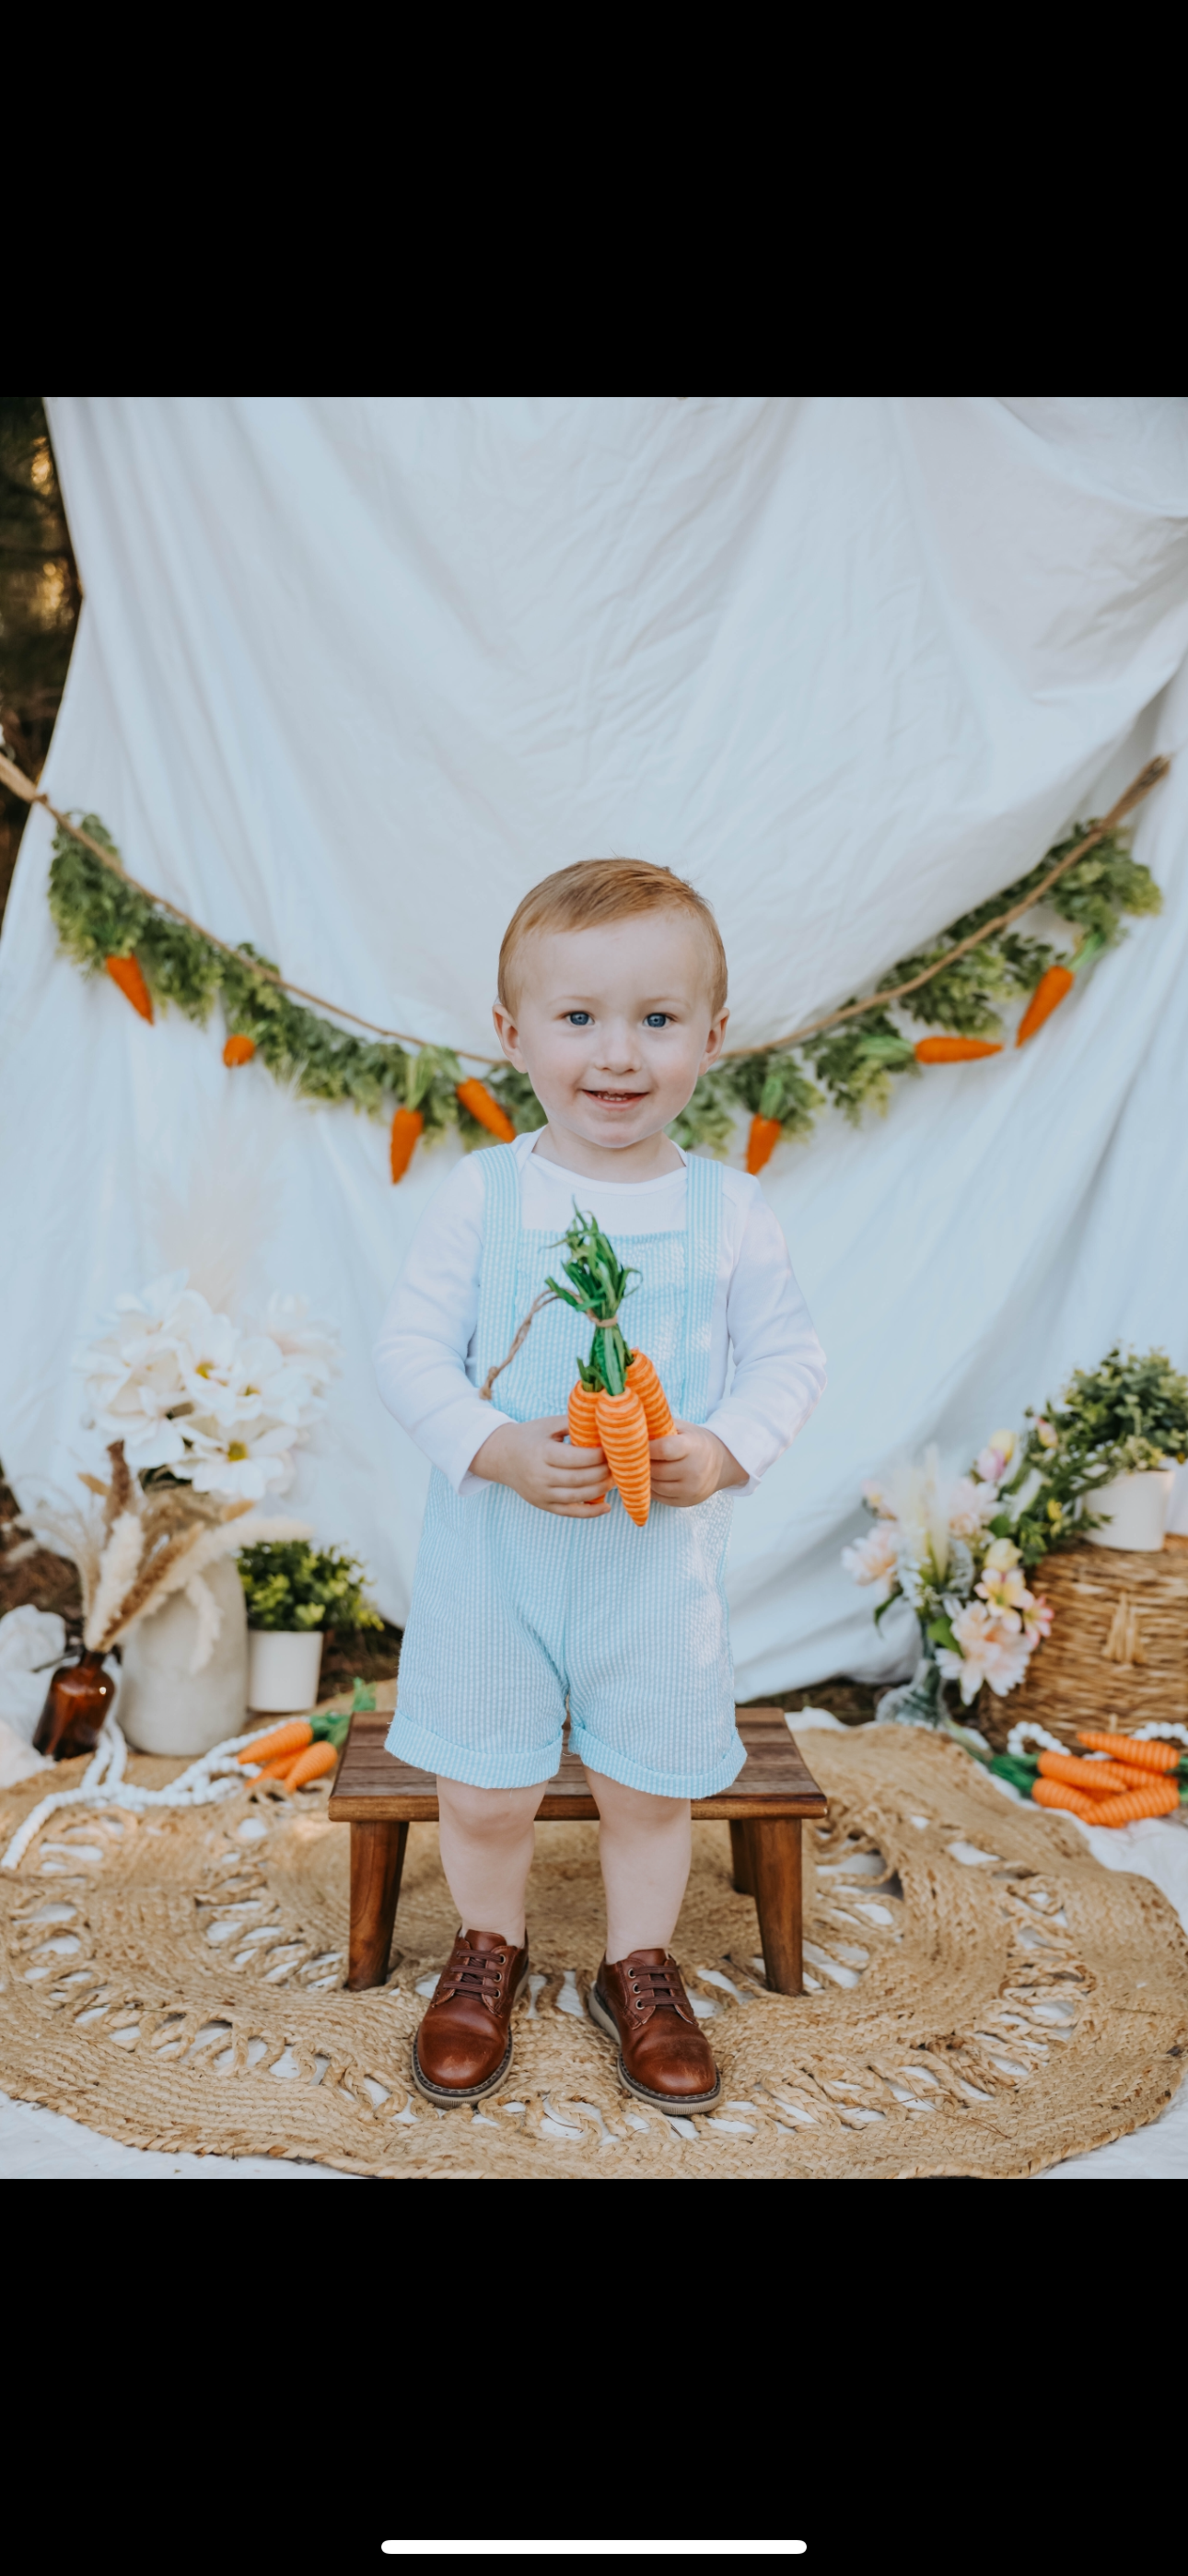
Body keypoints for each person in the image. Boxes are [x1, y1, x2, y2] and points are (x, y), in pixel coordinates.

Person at [373, 858, 825, 2111]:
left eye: (656, 1020)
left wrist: (725, 1447)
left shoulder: (727, 1210)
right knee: (483, 1787)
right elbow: (408, 1351)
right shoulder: (486, 1194)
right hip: (494, 1562)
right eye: (579, 1019)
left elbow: (790, 1358)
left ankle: (640, 1966)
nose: (617, 1055)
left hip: (651, 1567)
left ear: (711, 1037)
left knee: (646, 1782)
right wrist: (495, 1446)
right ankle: (486, 1952)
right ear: (512, 1035)